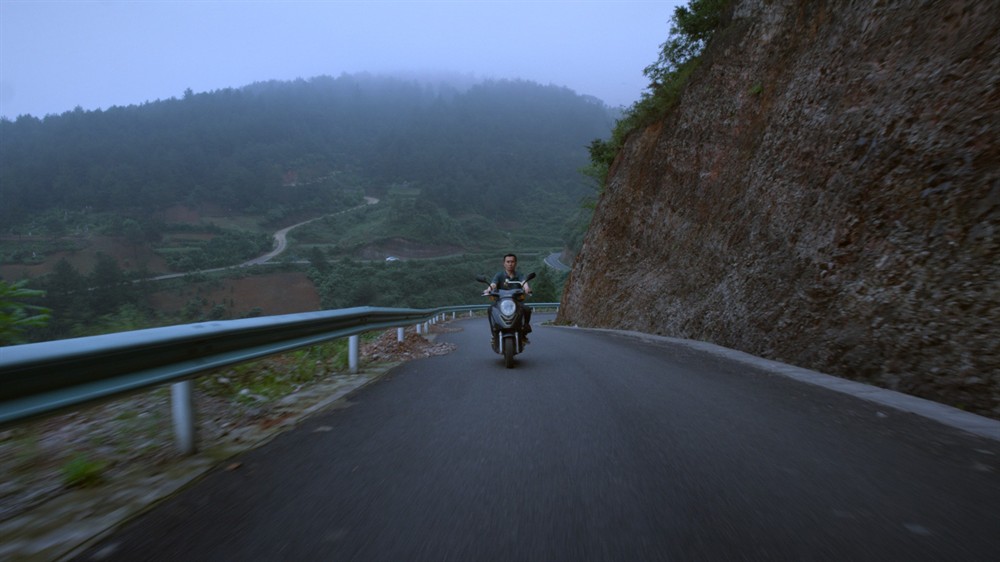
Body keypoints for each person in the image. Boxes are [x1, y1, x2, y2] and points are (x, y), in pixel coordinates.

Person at [483, 253, 532, 348]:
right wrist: (488, 289)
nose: (510, 264)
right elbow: (493, 284)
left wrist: (527, 288)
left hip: (516, 303)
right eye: (508, 262)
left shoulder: (519, 275)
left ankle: (524, 330)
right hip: (501, 303)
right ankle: (494, 333)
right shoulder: (499, 275)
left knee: (527, 309)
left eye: (512, 262)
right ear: (504, 263)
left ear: (516, 263)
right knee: (490, 310)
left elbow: (524, 283)